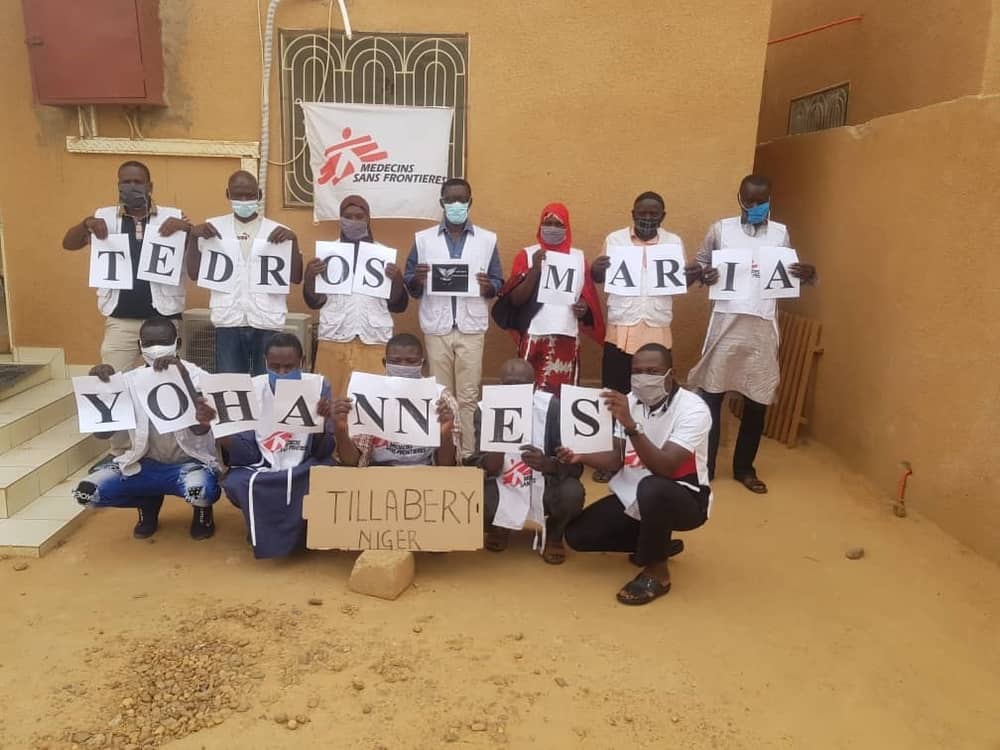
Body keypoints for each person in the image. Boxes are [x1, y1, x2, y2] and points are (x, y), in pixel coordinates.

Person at [686, 175, 817, 494]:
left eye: (762, 201)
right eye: (749, 201)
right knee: (712, 397)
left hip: (762, 326)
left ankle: (745, 468)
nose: (755, 206)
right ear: (739, 199)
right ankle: (707, 467)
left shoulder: (780, 233)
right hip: (725, 324)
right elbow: (699, 265)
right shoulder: (721, 229)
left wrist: (806, 275)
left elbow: (786, 273)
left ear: (770, 200)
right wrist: (704, 274)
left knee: (757, 401)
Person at [562, 344, 712, 605]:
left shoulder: (693, 409)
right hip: (632, 496)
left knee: (653, 487)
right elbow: (616, 458)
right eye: (637, 371)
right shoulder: (631, 401)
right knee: (578, 536)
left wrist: (631, 426)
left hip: (683, 497)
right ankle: (656, 543)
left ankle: (657, 572)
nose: (644, 377)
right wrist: (581, 456)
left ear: (671, 374)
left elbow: (666, 468)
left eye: (652, 371)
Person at [71, 317, 220, 540]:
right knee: (86, 494)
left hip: (189, 464)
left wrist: (183, 378)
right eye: (149, 343)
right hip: (143, 465)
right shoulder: (128, 380)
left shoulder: (201, 378)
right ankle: (147, 503)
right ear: (140, 347)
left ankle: (202, 512)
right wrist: (101, 388)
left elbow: (201, 430)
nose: (156, 348)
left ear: (178, 343)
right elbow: (102, 434)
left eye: (164, 342)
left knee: (200, 490)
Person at [206, 333, 335, 559]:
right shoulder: (252, 389)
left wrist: (323, 423)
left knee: (327, 474)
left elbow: (323, 450)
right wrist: (217, 427)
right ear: (265, 363)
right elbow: (245, 453)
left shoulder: (318, 386)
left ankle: (302, 531)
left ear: (302, 362)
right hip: (262, 463)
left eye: (289, 367)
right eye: (275, 367)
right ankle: (262, 529)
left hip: (304, 464)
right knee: (238, 482)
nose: (282, 373)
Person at [589, 191, 688, 482]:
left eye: (653, 214)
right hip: (621, 329)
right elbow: (600, 276)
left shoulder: (673, 242)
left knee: (655, 395)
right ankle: (611, 458)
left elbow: (678, 279)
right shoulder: (615, 239)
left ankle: (650, 456)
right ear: (632, 214)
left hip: (656, 329)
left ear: (663, 216)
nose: (647, 218)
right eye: (642, 213)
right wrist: (596, 271)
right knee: (615, 394)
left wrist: (692, 275)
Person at [403, 178, 503, 457]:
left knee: (469, 396)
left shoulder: (487, 239)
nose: (456, 204)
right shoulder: (423, 240)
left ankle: (467, 454)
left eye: (461, 199)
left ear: (470, 202)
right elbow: (410, 283)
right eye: (451, 200)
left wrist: (489, 286)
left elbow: (498, 281)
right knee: (441, 395)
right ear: (442, 202)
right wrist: (417, 279)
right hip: (437, 326)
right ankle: (444, 453)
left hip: (471, 326)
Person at [62, 161, 191, 374]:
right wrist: (86, 224)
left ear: (150, 186)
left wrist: (186, 228)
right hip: (121, 319)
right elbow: (69, 244)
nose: (131, 187)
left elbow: (195, 249)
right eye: (126, 182)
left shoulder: (174, 215)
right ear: (118, 185)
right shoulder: (103, 216)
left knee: (168, 379)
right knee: (113, 379)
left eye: (138, 182)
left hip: (164, 319)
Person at [186, 170, 301, 376]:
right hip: (228, 320)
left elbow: (296, 277)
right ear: (228, 194)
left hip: (267, 320)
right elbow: (194, 274)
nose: (244, 200)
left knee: (267, 383)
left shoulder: (279, 230)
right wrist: (193, 238)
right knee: (231, 384)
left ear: (259, 194)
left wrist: (294, 241)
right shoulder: (211, 229)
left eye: (250, 195)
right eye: (238, 195)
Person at [474, 359, 585, 564]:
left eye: (521, 385)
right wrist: (496, 446)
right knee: (473, 496)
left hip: (546, 485)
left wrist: (547, 463)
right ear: (499, 385)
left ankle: (554, 534)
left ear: (534, 387)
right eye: (508, 385)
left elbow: (576, 467)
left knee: (572, 492)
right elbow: (480, 464)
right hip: (502, 484)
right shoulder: (484, 409)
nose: (514, 390)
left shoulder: (553, 408)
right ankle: (500, 525)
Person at [492, 203, 604, 394]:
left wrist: (583, 308)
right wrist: (535, 269)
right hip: (534, 334)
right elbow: (516, 299)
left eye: (558, 224)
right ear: (540, 225)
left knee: (563, 395)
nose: (552, 228)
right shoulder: (527, 255)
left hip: (566, 335)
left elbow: (586, 298)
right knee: (527, 392)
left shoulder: (577, 258)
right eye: (548, 223)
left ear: (567, 228)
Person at [305, 195, 408, 397]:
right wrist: (309, 276)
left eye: (359, 216)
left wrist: (397, 279)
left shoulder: (383, 254)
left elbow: (398, 305)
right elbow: (314, 302)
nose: (353, 221)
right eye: (348, 216)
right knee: (330, 401)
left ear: (368, 219)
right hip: (334, 338)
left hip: (374, 340)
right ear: (340, 219)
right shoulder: (327, 254)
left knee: (371, 402)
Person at [332, 333, 461, 467]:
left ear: (422, 363)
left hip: (425, 472)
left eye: (411, 361)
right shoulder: (367, 395)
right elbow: (353, 463)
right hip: (378, 472)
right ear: (385, 362)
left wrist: (445, 433)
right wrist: (340, 429)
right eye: (395, 361)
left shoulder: (441, 398)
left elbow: (448, 466)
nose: (403, 366)